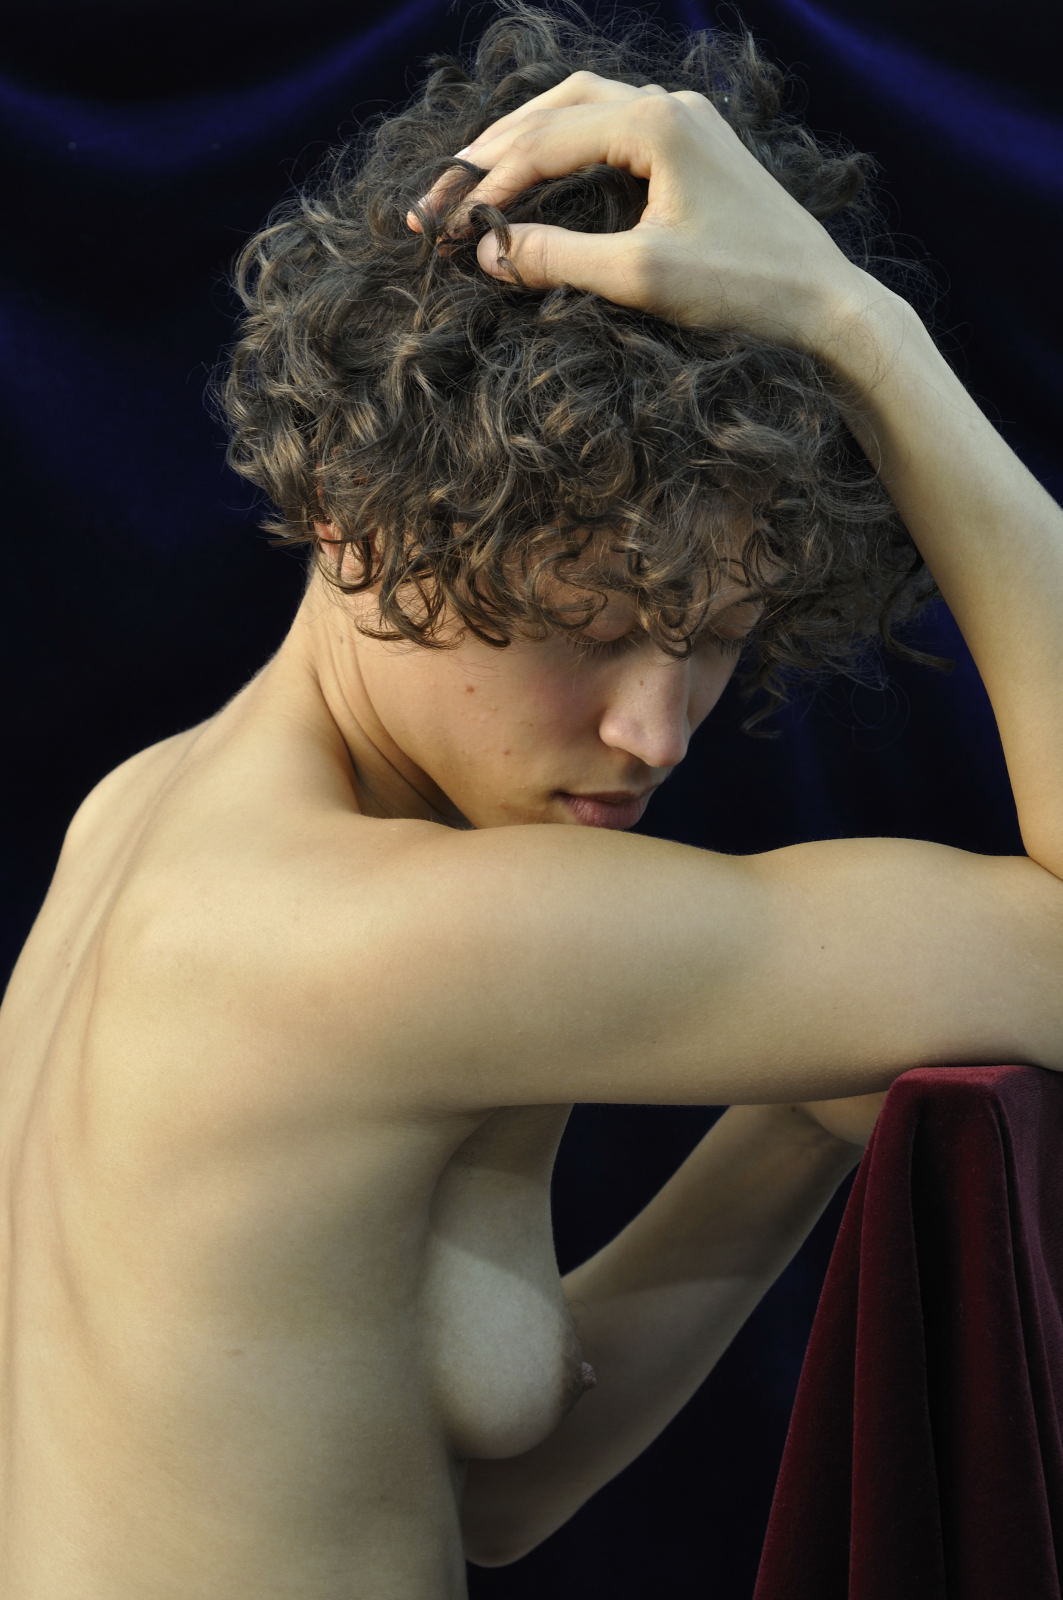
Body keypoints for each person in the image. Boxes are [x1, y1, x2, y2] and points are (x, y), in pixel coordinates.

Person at [2, 1, 1062, 1594]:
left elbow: (479, 1496)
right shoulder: (399, 938)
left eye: (715, 638)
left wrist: (791, 1123)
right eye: (591, 626)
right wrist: (865, 331)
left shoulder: (144, 815)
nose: (657, 731)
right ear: (357, 511)